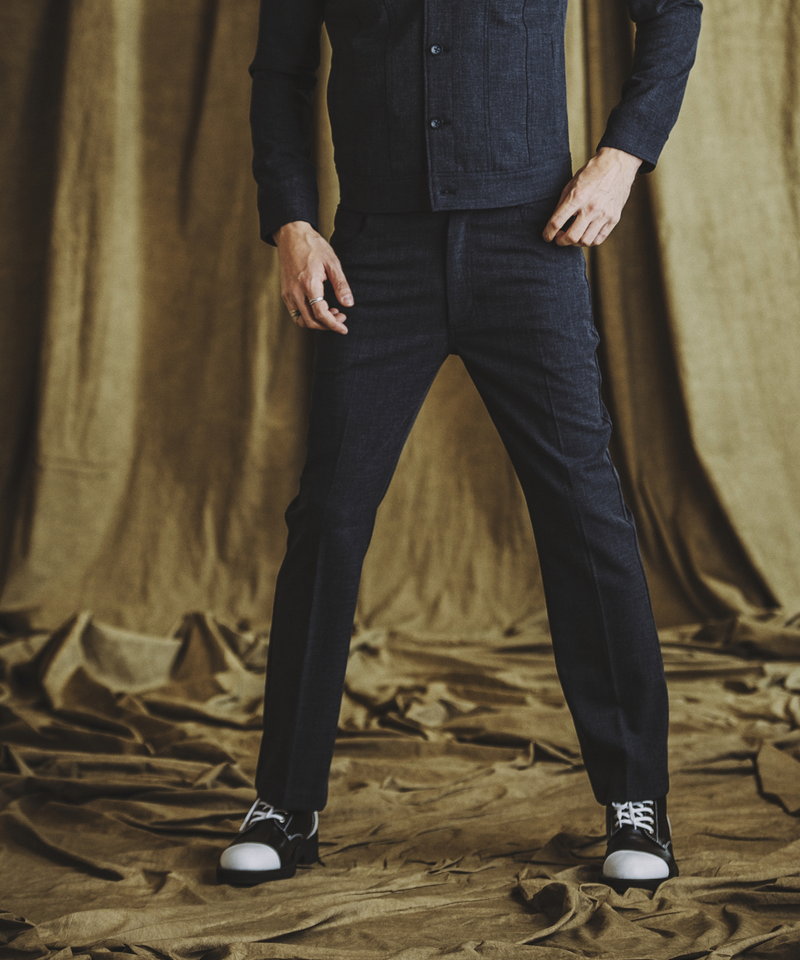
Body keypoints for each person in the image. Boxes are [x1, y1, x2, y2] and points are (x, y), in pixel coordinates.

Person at [217, 0, 703, 893]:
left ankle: (637, 797)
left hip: (531, 242)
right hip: (373, 253)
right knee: (328, 519)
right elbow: (278, 73)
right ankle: (285, 804)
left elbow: (671, 9)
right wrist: (291, 221)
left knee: (585, 514)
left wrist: (622, 157)